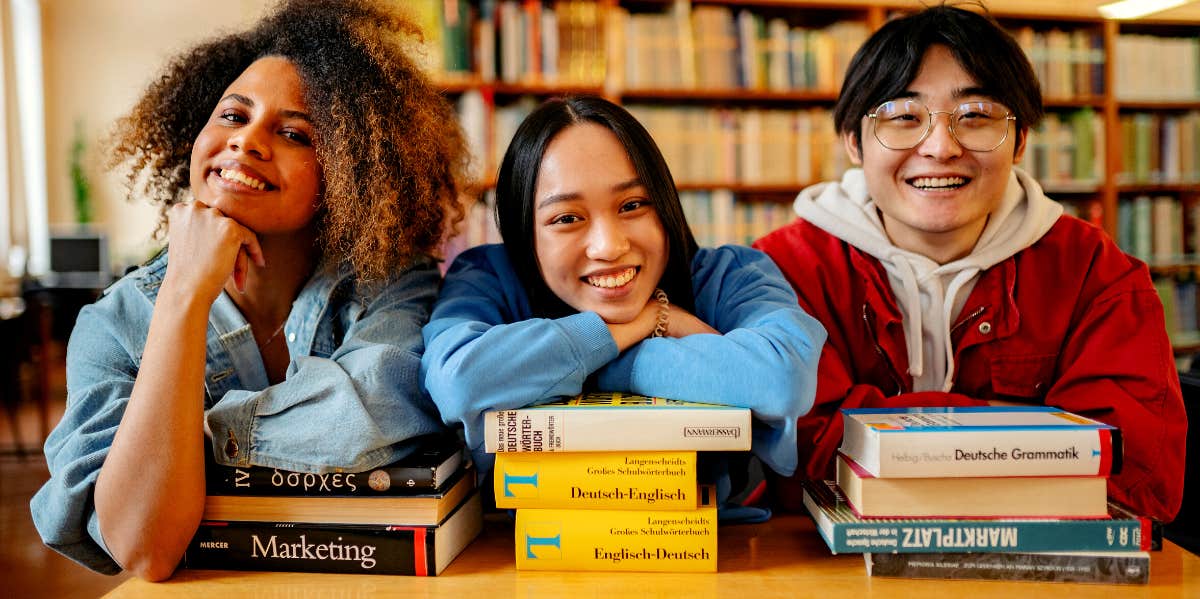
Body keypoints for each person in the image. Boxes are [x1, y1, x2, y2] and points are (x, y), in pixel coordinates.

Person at [30, 0, 470, 580]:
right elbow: (145, 550)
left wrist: (180, 446)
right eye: (233, 117)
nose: (248, 141)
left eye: (293, 133)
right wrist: (184, 294)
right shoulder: (114, 322)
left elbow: (373, 411)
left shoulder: (393, 285)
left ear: (353, 172)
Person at [753, 4, 1185, 522]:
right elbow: (786, 458)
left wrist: (884, 438)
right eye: (904, 116)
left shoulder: (1098, 274)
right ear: (854, 142)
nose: (939, 147)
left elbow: (1133, 480)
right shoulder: (780, 269)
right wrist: (1027, 433)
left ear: (1021, 139)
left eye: (975, 116)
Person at [422, 96, 826, 504]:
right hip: (516, 557)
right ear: (525, 233)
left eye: (632, 206)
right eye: (567, 218)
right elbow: (458, 380)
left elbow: (784, 379)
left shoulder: (730, 275)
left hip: (722, 552)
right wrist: (646, 322)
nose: (609, 246)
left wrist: (600, 366)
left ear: (665, 204)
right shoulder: (487, 277)